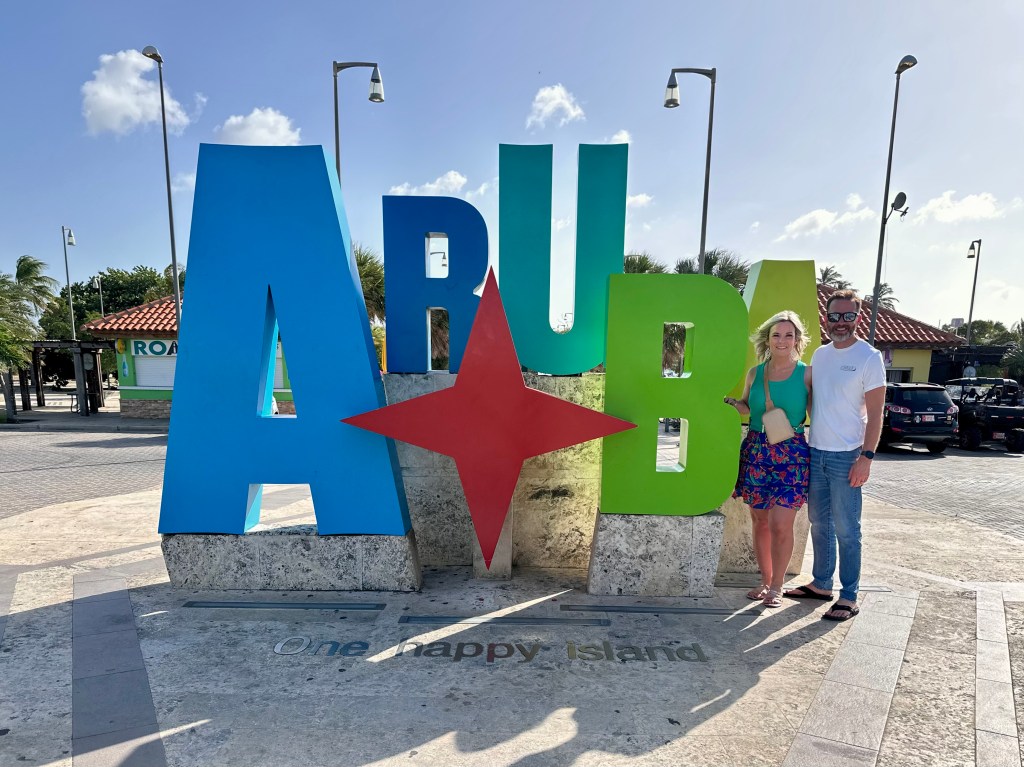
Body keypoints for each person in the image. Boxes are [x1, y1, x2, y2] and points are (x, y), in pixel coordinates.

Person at [784, 289, 886, 621]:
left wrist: (866, 458)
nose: (840, 323)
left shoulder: (869, 358)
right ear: (826, 318)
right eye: (834, 316)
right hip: (817, 452)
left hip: (847, 456)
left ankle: (849, 594)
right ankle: (821, 583)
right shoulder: (821, 355)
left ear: (859, 318)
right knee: (819, 523)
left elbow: (876, 414)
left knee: (847, 528)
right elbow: (814, 398)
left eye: (848, 316)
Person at [725, 311, 812, 608]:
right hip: (757, 449)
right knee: (760, 521)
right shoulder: (755, 373)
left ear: (798, 340)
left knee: (781, 524)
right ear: (768, 339)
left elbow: (821, 413)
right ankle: (764, 580)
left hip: (791, 452)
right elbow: (748, 408)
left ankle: (778, 586)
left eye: (789, 335)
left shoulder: (807, 374)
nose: (783, 340)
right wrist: (731, 405)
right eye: (777, 334)